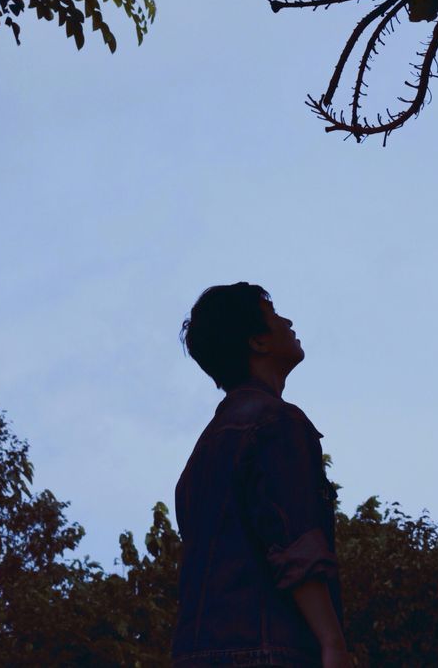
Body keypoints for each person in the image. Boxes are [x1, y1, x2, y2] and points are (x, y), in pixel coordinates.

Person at [172, 282, 347, 667]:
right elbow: (295, 543)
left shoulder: (202, 454)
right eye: (274, 315)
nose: (287, 321)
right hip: (270, 651)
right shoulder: (276, 423)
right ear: (258, 342)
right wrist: (333, 643)